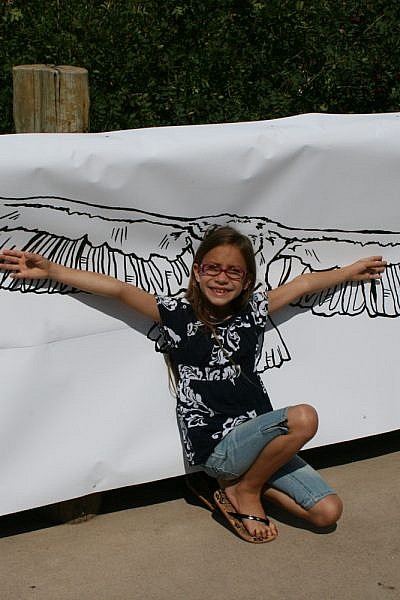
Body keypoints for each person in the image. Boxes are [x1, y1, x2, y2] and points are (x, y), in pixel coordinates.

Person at [0, 226, 387, 543]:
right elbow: (118, 289)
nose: (222, 278)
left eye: (233, 272)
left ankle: (242, 485)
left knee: (327, 513)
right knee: (303, 418)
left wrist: (349, 271)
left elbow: (302, 284)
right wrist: (52, 270)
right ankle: (242, 489)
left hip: (261, 443)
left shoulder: (253, 310)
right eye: (213, 268)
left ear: (247, 281)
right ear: (197, 272)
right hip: (218, 447)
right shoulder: (176, 313)